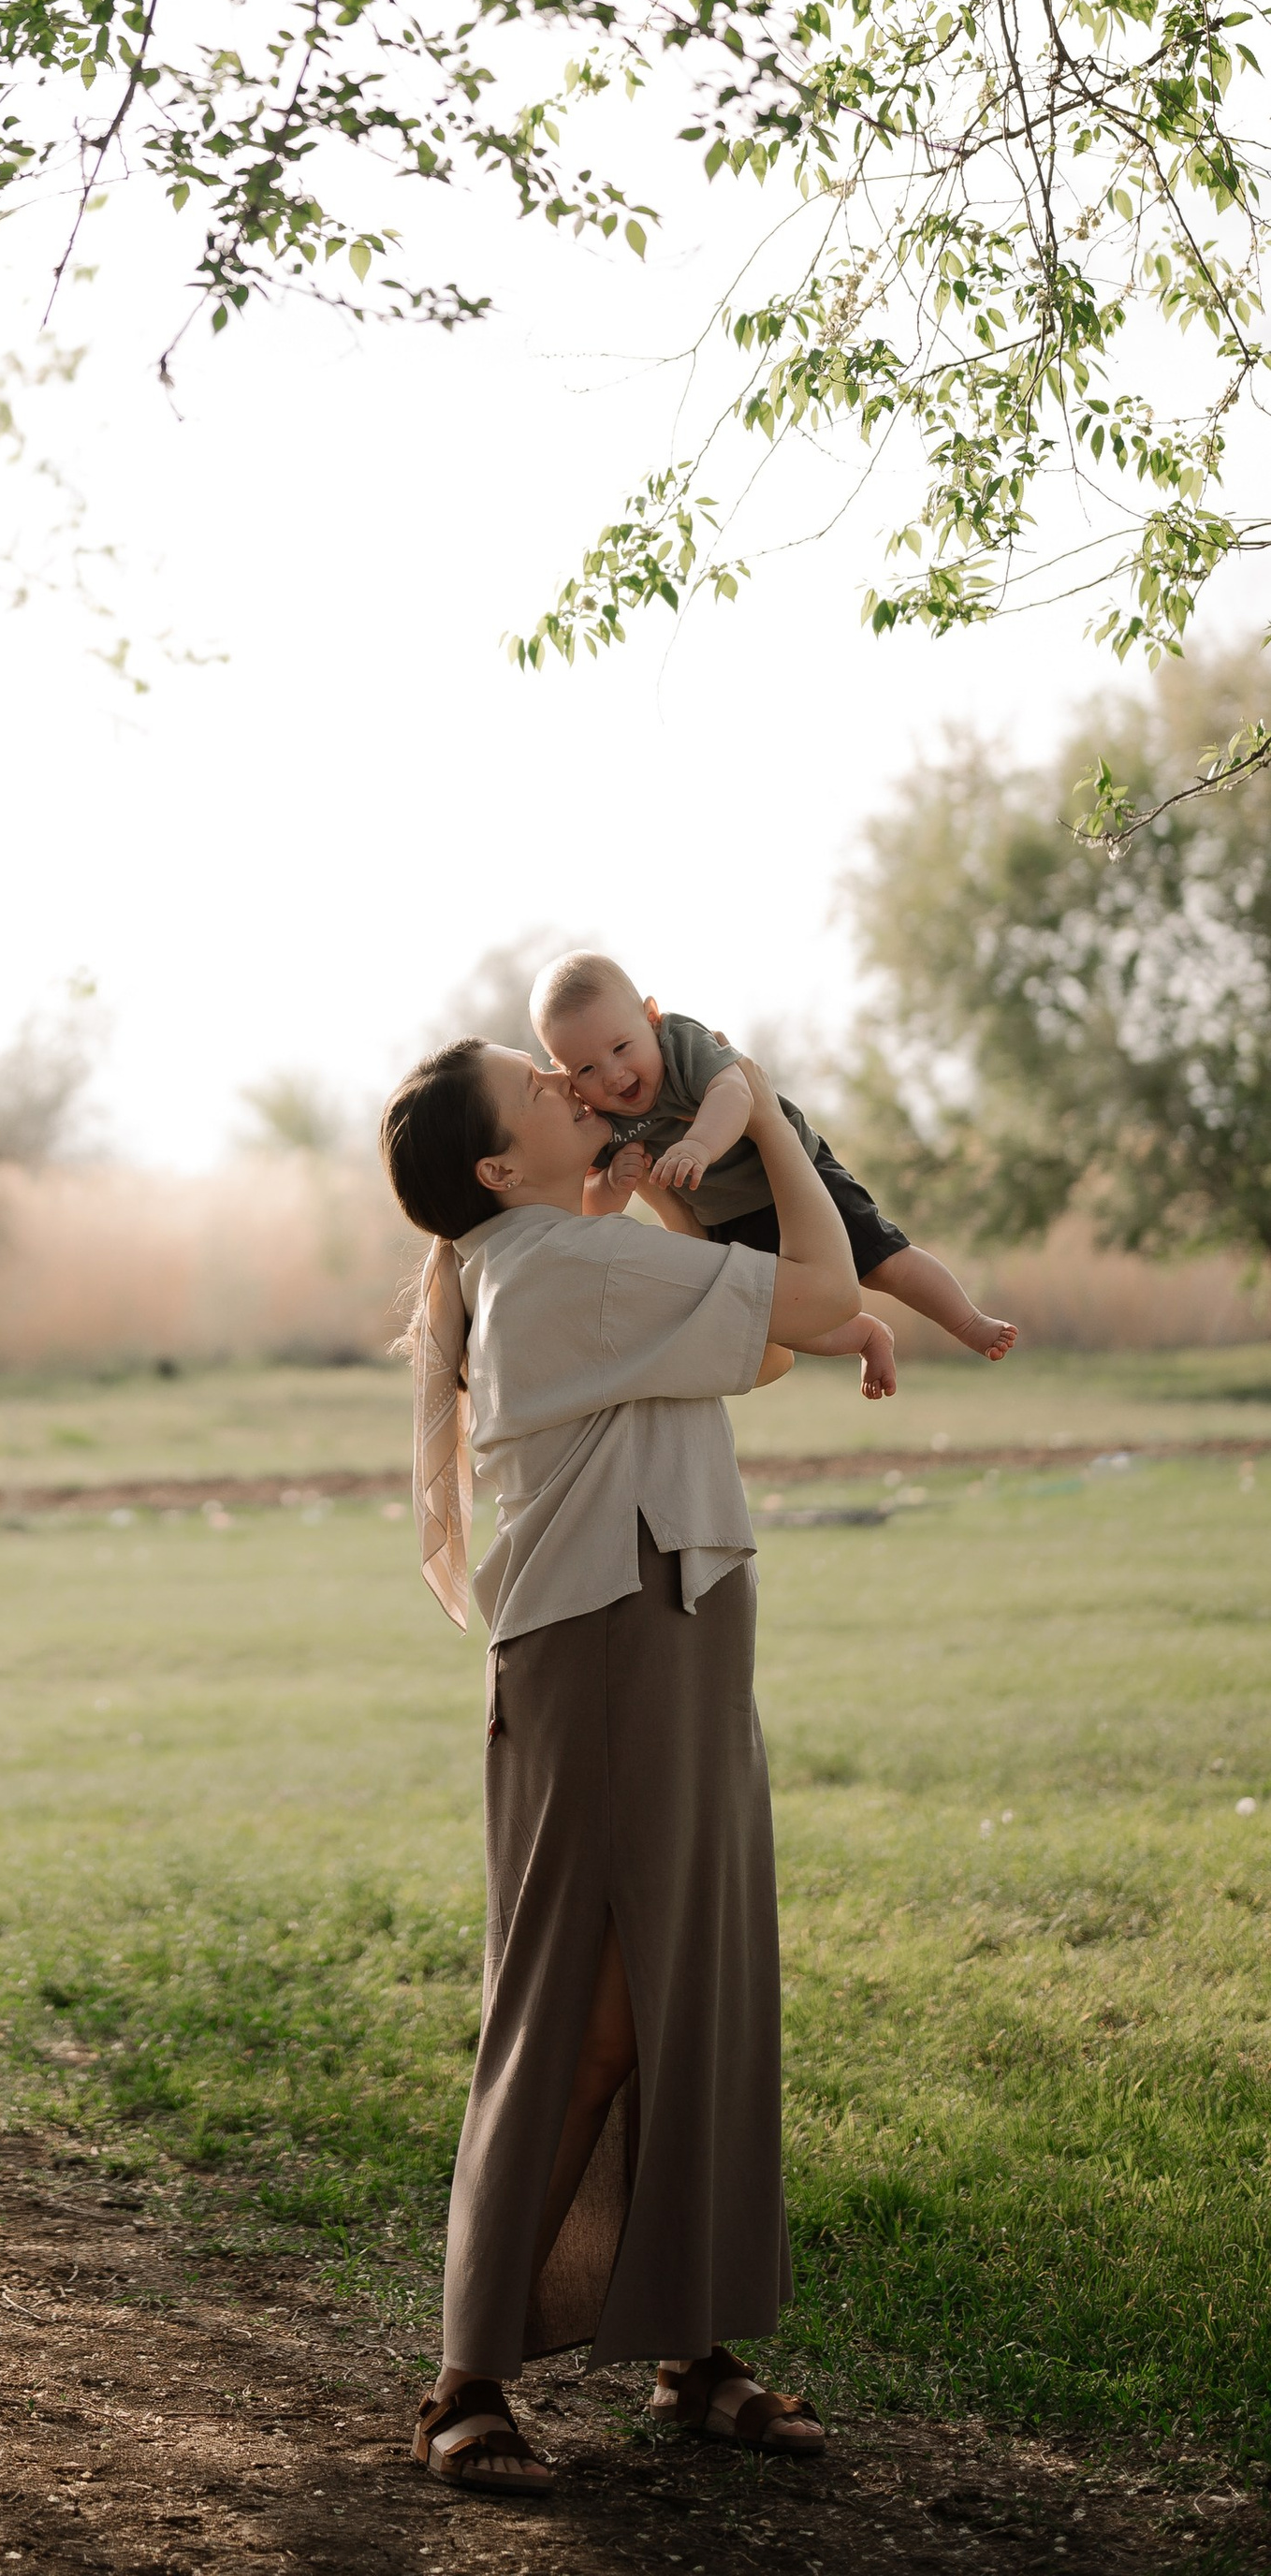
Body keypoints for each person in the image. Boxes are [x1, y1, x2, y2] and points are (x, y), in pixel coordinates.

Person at [382, 1031, 860, 2497]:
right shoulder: (558, 1265)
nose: (578, 1088)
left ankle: (692, 2351)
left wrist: (664, 1183)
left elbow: (763, 1348)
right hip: (609, 1653)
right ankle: (465, 2375)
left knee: (689, 1996)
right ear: (496, 1164)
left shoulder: (579, 1258)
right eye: (543, 1091)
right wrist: (764, 1116)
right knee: (585, 2018)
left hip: (675, 1636)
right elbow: (829, 1305)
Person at [533, 950, 1016, 1363]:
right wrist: (612, 1184)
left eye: (621, 1047)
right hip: (726, 1219)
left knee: (884, 1262)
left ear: (651, 1017)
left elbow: (735, 1090)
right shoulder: (598, 1115)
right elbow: (590, 1206)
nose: (614, 1075)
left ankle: (969, 1321)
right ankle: (865, 1336)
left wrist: (699, 1144)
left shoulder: (679, 1044)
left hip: (795, 1176)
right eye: (588, 1068)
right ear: (563, 1069)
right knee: (771, 1314)